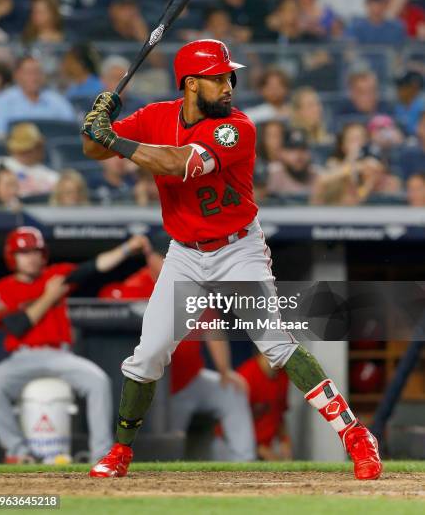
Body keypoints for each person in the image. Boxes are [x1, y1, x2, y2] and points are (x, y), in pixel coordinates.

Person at [81, 38, 382, 479]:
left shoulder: (236, 127)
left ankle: (356, 435)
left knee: (277, 345)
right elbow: (94, 150)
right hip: (184, 254)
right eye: (218, 78)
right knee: (147, 356)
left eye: (229, 77)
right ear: (189, 84)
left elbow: (177, 164)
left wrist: (116, 138)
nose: (228, 86)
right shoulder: (155, 117)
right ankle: (121, 452)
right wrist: (97, 122)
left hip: (237, 250)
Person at [0, 227, 145, 463]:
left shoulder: (55, 275)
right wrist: (49, 296)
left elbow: (95, 266)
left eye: (36, 251)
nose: (31, 257)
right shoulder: (2, 288)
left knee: (98, 381)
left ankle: (100, 454)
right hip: (22, 357)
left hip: (60, 356)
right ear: (13, 256)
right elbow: (17, 326)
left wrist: (126, 249)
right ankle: (17, 452)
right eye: (24, 252)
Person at [99, 236, 256, 461]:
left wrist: (224, 370)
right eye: (165, 258)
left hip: (192, 379)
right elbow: (105, 300)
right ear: (152, 258)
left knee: (232, 392)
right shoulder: (136, 286)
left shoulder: (190, 284)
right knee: (170, 448)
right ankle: (168, 477)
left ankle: (245, 461)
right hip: (160, 390)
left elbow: (212, 327)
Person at [216, 351, 291, 461]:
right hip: (232, 447)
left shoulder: (283, 375)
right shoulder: (246, 376)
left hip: (262, 450)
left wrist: (284, 441)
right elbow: (227, 426)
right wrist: (259, 449)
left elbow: (279, 413)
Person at [0, 55, 77, 138]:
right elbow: (0, 136)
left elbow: (71, 132)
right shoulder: (3, 102)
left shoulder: (57, 101)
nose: (34, 77)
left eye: (37, 72)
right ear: (16, 75)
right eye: (28, 73)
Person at [0, 123, 59, 198]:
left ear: (38, 148)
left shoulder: (51, 176)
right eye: (21, 150)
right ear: (11, 148)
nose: (25, 153)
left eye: (29, 149)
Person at [267, 127, 319, 195]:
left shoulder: (318, 176)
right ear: (281, 152)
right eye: (292, 150)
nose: (298, 155)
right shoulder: (271, 175)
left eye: (303, 149)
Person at [393, 70, 425, 136]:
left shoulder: (422, 106)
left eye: (403, 86)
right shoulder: (399, 106)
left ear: (414, 87)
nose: (399, 90)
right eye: (398, 87)